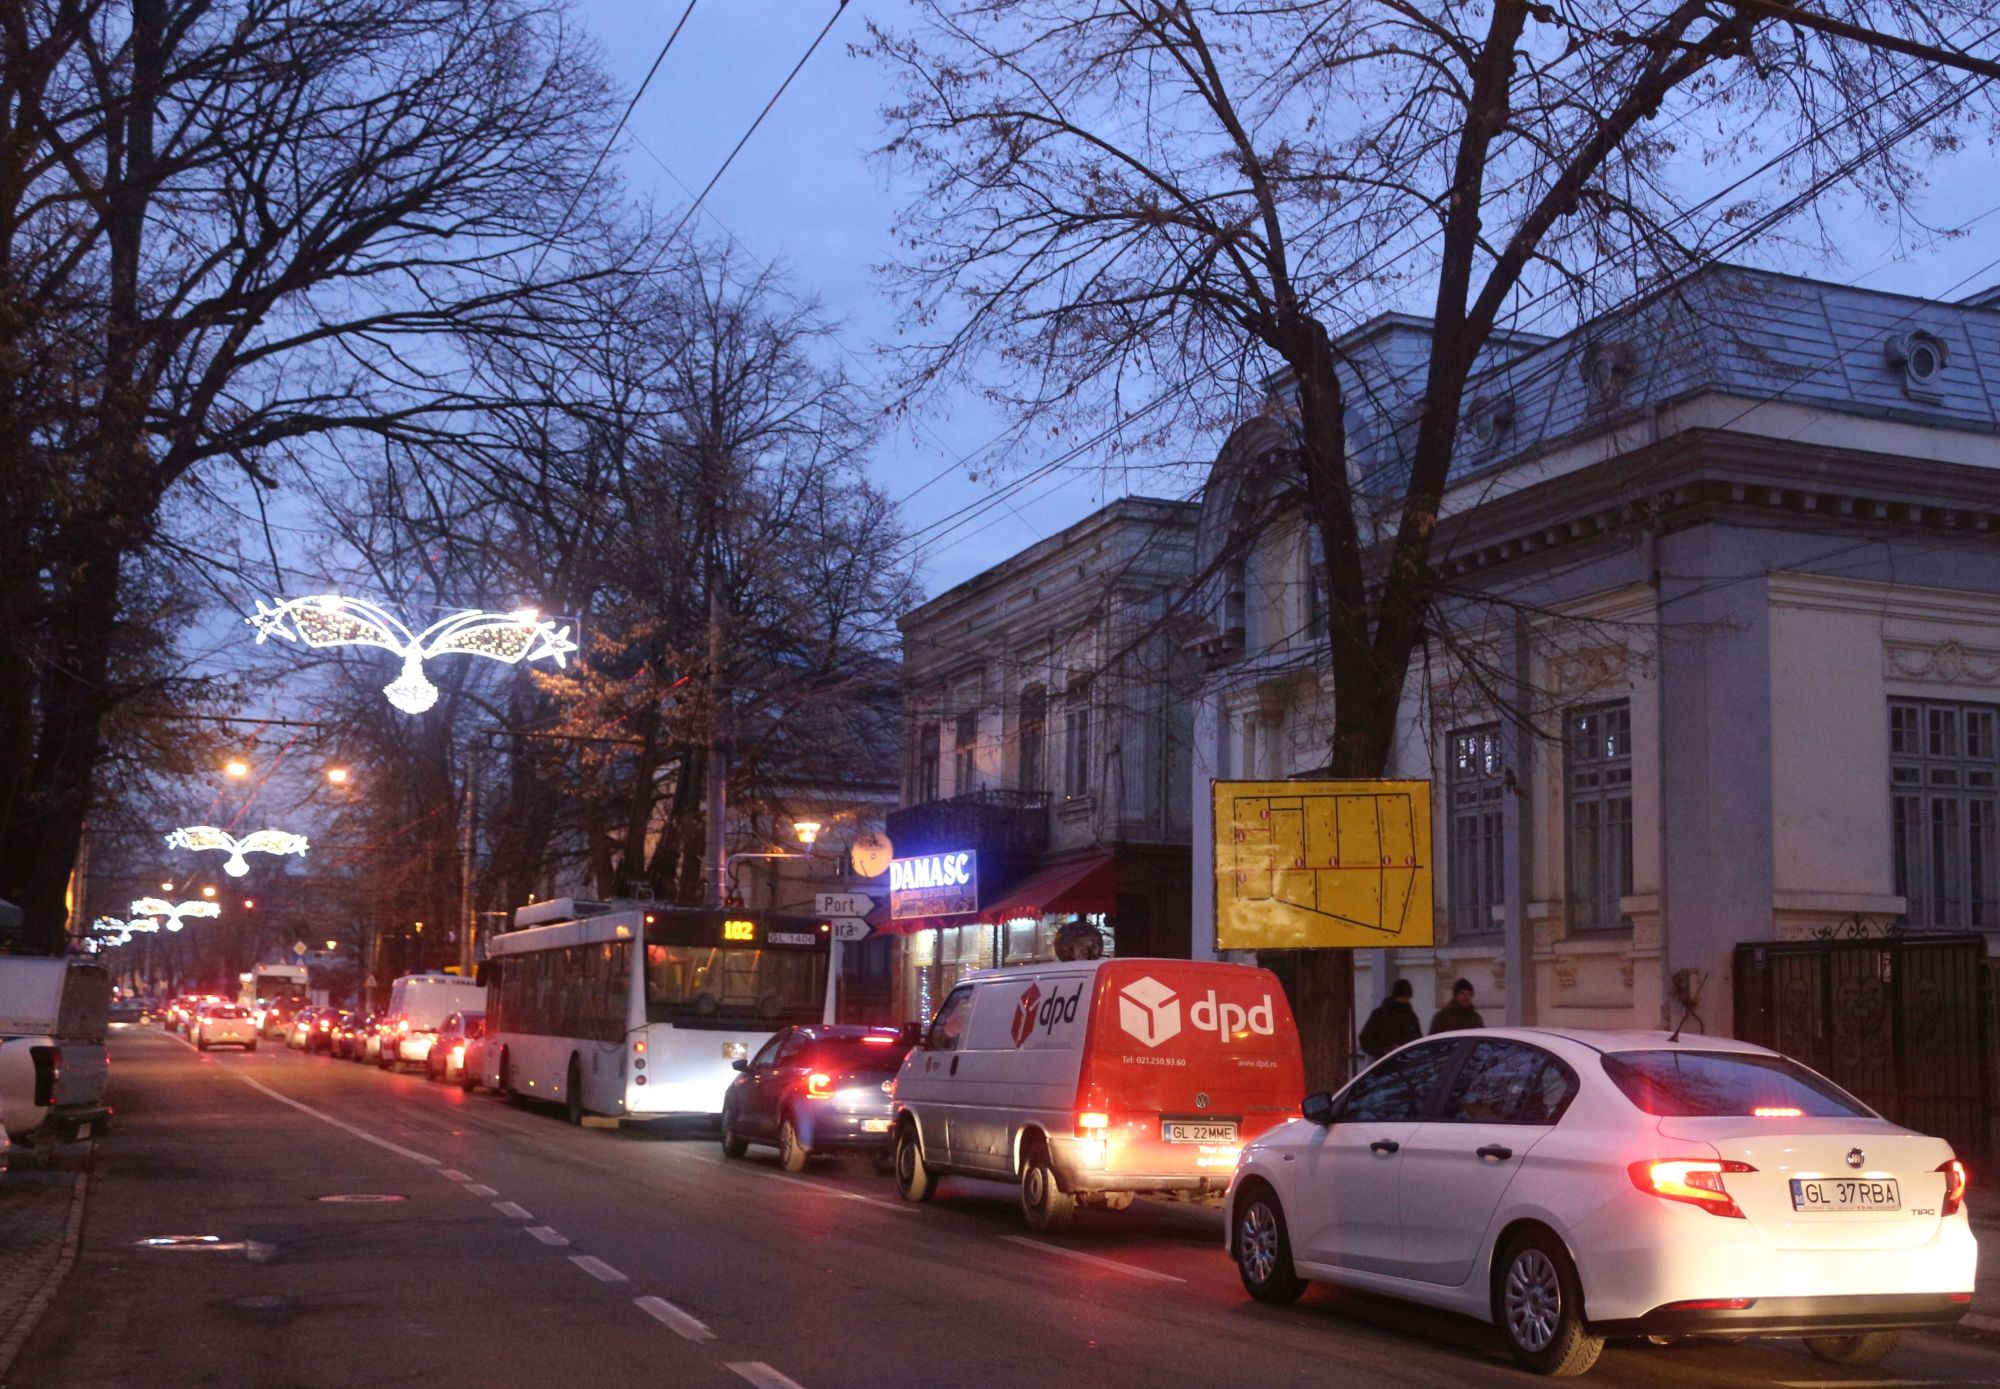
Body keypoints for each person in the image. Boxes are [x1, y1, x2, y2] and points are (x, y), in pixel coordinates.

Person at [1358, 978, 1423, 1061]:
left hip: (1407, 1063)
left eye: (1407, 997)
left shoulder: (1411, 1016)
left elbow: (1418, 1039)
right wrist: (1384, 1051)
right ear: (1396, 996)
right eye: (1402, 997)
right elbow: (1365, 1039)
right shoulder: (1380, 1015)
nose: (1405, 1000)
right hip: (1385, 1063)